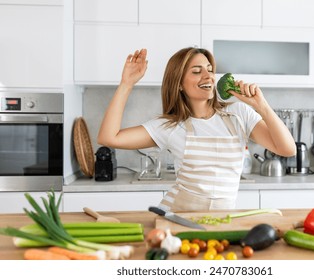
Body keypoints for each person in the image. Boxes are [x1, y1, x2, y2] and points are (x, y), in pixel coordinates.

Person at [98, 47, 296, 211]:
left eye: (210, 69)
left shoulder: (239, 114)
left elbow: (287, 149)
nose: (208, 76)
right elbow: (109, 137)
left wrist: (261, 106)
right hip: (178, 220)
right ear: (179, 84)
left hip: (222, 222)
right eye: (196, 71)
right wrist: (126, 83)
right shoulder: (171, 126)